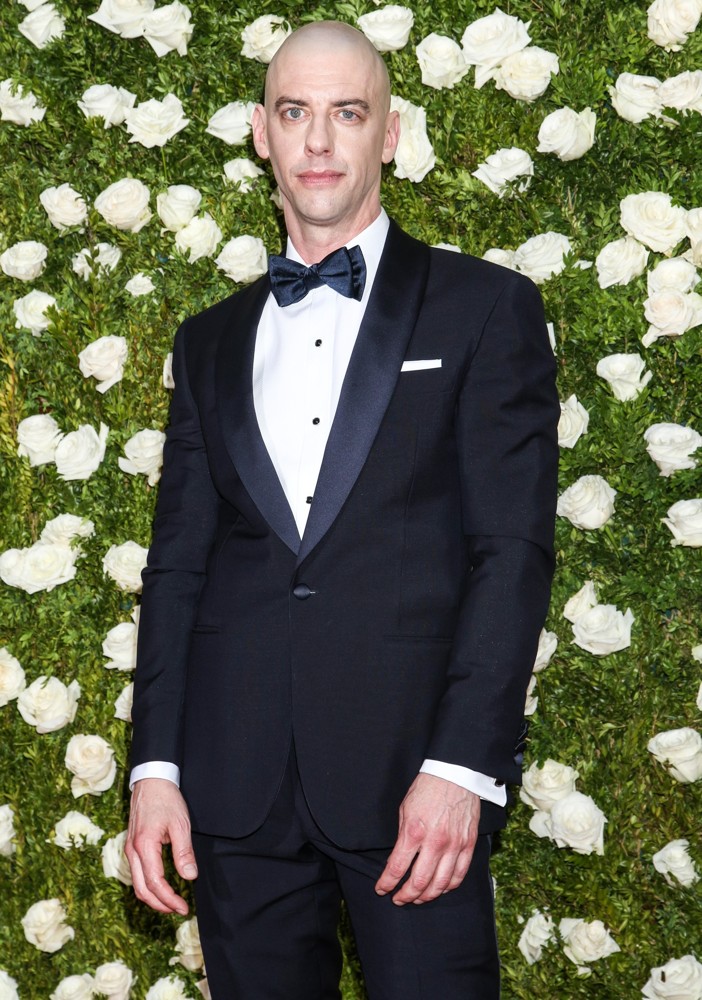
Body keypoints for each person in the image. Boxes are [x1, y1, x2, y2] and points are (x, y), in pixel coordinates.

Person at [126, 20, 559, 1000]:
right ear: (259, 132)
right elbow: (180, 564)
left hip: (415, 791)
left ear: (390, 134)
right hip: (235, 798)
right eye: (296, 112)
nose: (319, 141)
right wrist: (156, 766)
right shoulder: (208, 342)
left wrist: (461, 768)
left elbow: (512, 551)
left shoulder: (485, 310)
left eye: (347, 113)